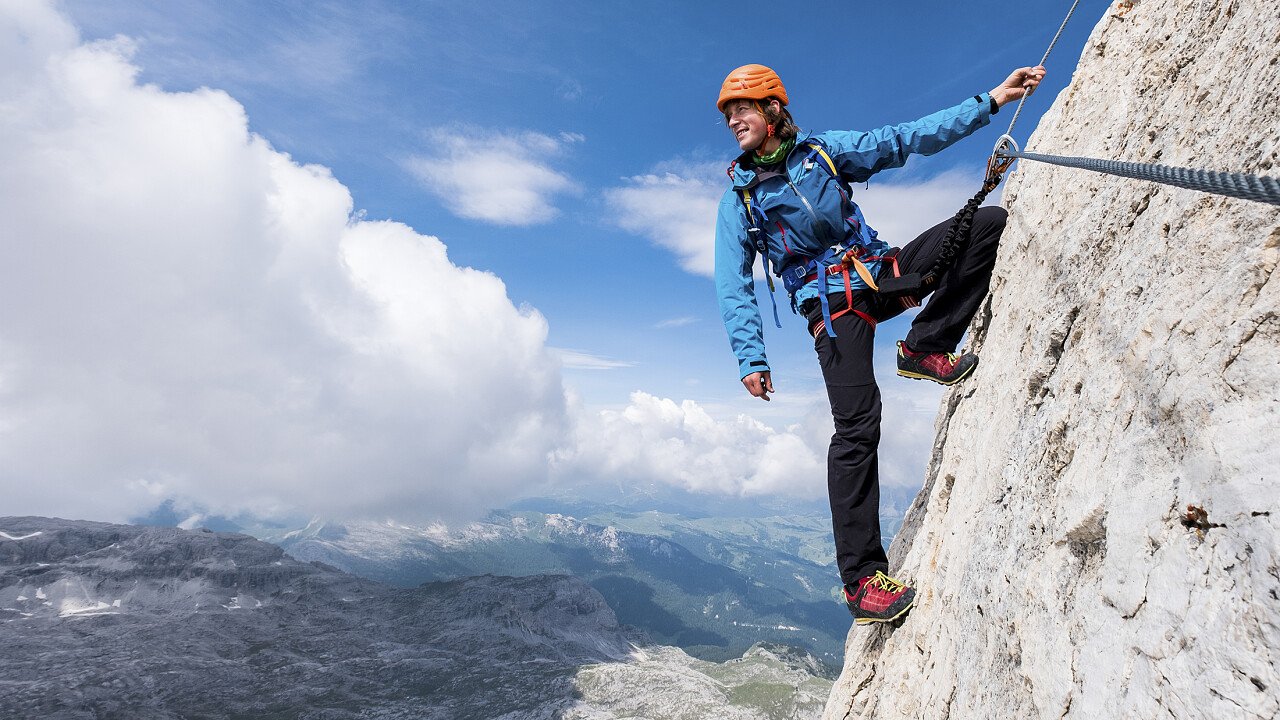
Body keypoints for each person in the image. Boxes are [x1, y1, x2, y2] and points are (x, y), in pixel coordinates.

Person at [713, 63, 1044, 625]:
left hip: (877, 271)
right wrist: (752, 357)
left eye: (742, 108)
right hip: (832, 306)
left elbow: (903, 139)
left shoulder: (823, 154)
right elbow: (733, 283)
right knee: (858, 425)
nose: (733, 121)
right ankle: (862, 579)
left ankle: (923, 345)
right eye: (727, 114)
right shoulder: (738, 200)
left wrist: (989, 101)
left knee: (986, 224)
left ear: (773, 109)